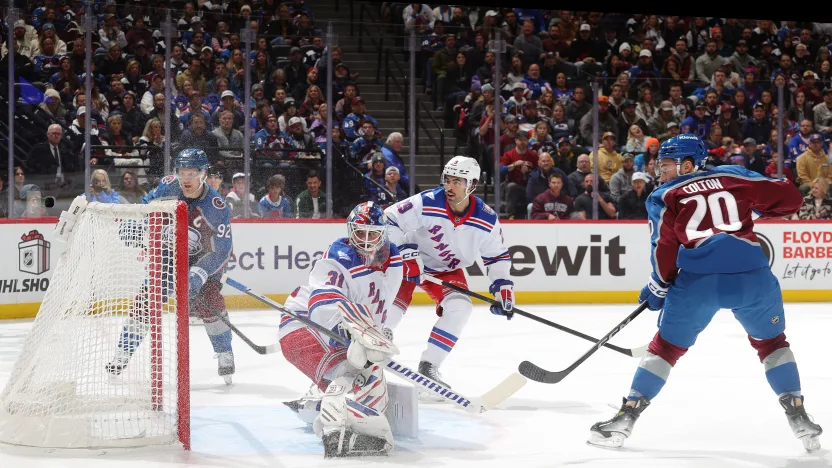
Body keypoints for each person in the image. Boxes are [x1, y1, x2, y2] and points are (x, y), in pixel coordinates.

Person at [588, 134, 822, 452]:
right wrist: (752, 206)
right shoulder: (734, 175)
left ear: (687, 165)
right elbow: (791, 199)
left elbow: (664, 247)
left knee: (665, 349)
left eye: (666, 165)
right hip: (752, 278)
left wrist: (659, 284)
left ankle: (625, 418)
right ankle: (798, 414)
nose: (660, 171)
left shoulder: (664, 195)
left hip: (698, 284)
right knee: (772, 344)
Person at [63, 149, 237, 385]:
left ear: (203, 174)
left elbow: (222, 250)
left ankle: (225, 352)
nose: (186, 179)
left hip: (202, 260)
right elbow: (146, 206)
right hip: (168, 256)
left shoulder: (216, 206)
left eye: (192, 173)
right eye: (182, 172)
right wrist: (138, 224)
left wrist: (198, 273)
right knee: (147, 299)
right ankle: (122, 353)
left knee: (210, 301)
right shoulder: (168, 186)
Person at [279, 202, 403, 457]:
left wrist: (378, 333)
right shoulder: (338, 258)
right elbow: (323, 302)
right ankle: (335, 430)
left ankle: (318, 401)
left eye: (372, 234)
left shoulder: (394, 261)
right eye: (359, 233)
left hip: (337, 332)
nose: (365, 240)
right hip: (306, 325)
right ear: (350, 231)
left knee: (371, 377)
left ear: (383, 234)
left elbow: (378, 307)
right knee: (352, 373)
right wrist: (345, 330)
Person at [383, 156, 514, 390]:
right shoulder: (427, 201)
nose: (449, 187)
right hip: (411, 261)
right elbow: (389, 219)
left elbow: (496, 256)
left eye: (457, 182)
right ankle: (379, 337)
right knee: (396, 297)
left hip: (446, 270)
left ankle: (429, 366)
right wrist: (404, 251)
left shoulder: (486, 218)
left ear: (472, 185)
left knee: (461, 306)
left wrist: (503, 288)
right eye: (447, 180)